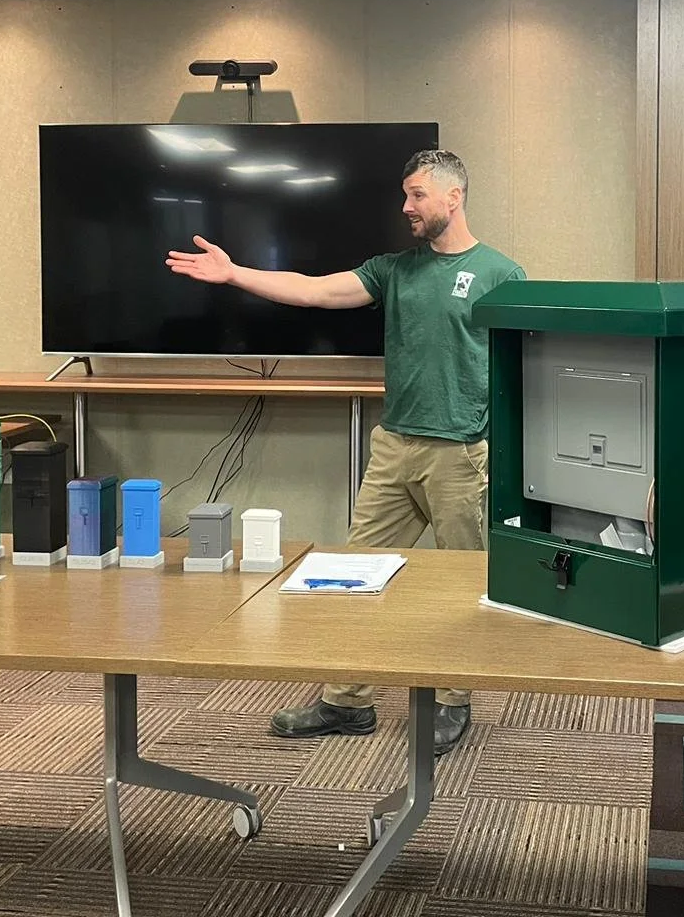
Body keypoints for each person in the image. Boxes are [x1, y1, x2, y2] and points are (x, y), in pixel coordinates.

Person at [165, 148, 523, 755]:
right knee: (352, 574)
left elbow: (521, 363)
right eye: (405, 194)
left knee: (461, 583)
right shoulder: (394, 270)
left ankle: (454, 699)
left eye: (416, 194)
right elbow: (314, 292)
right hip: (394, 446)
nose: (406, 206)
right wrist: (236, 274)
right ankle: (347, 700)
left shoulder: (500, 274)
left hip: (460, 454)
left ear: (453, 196)